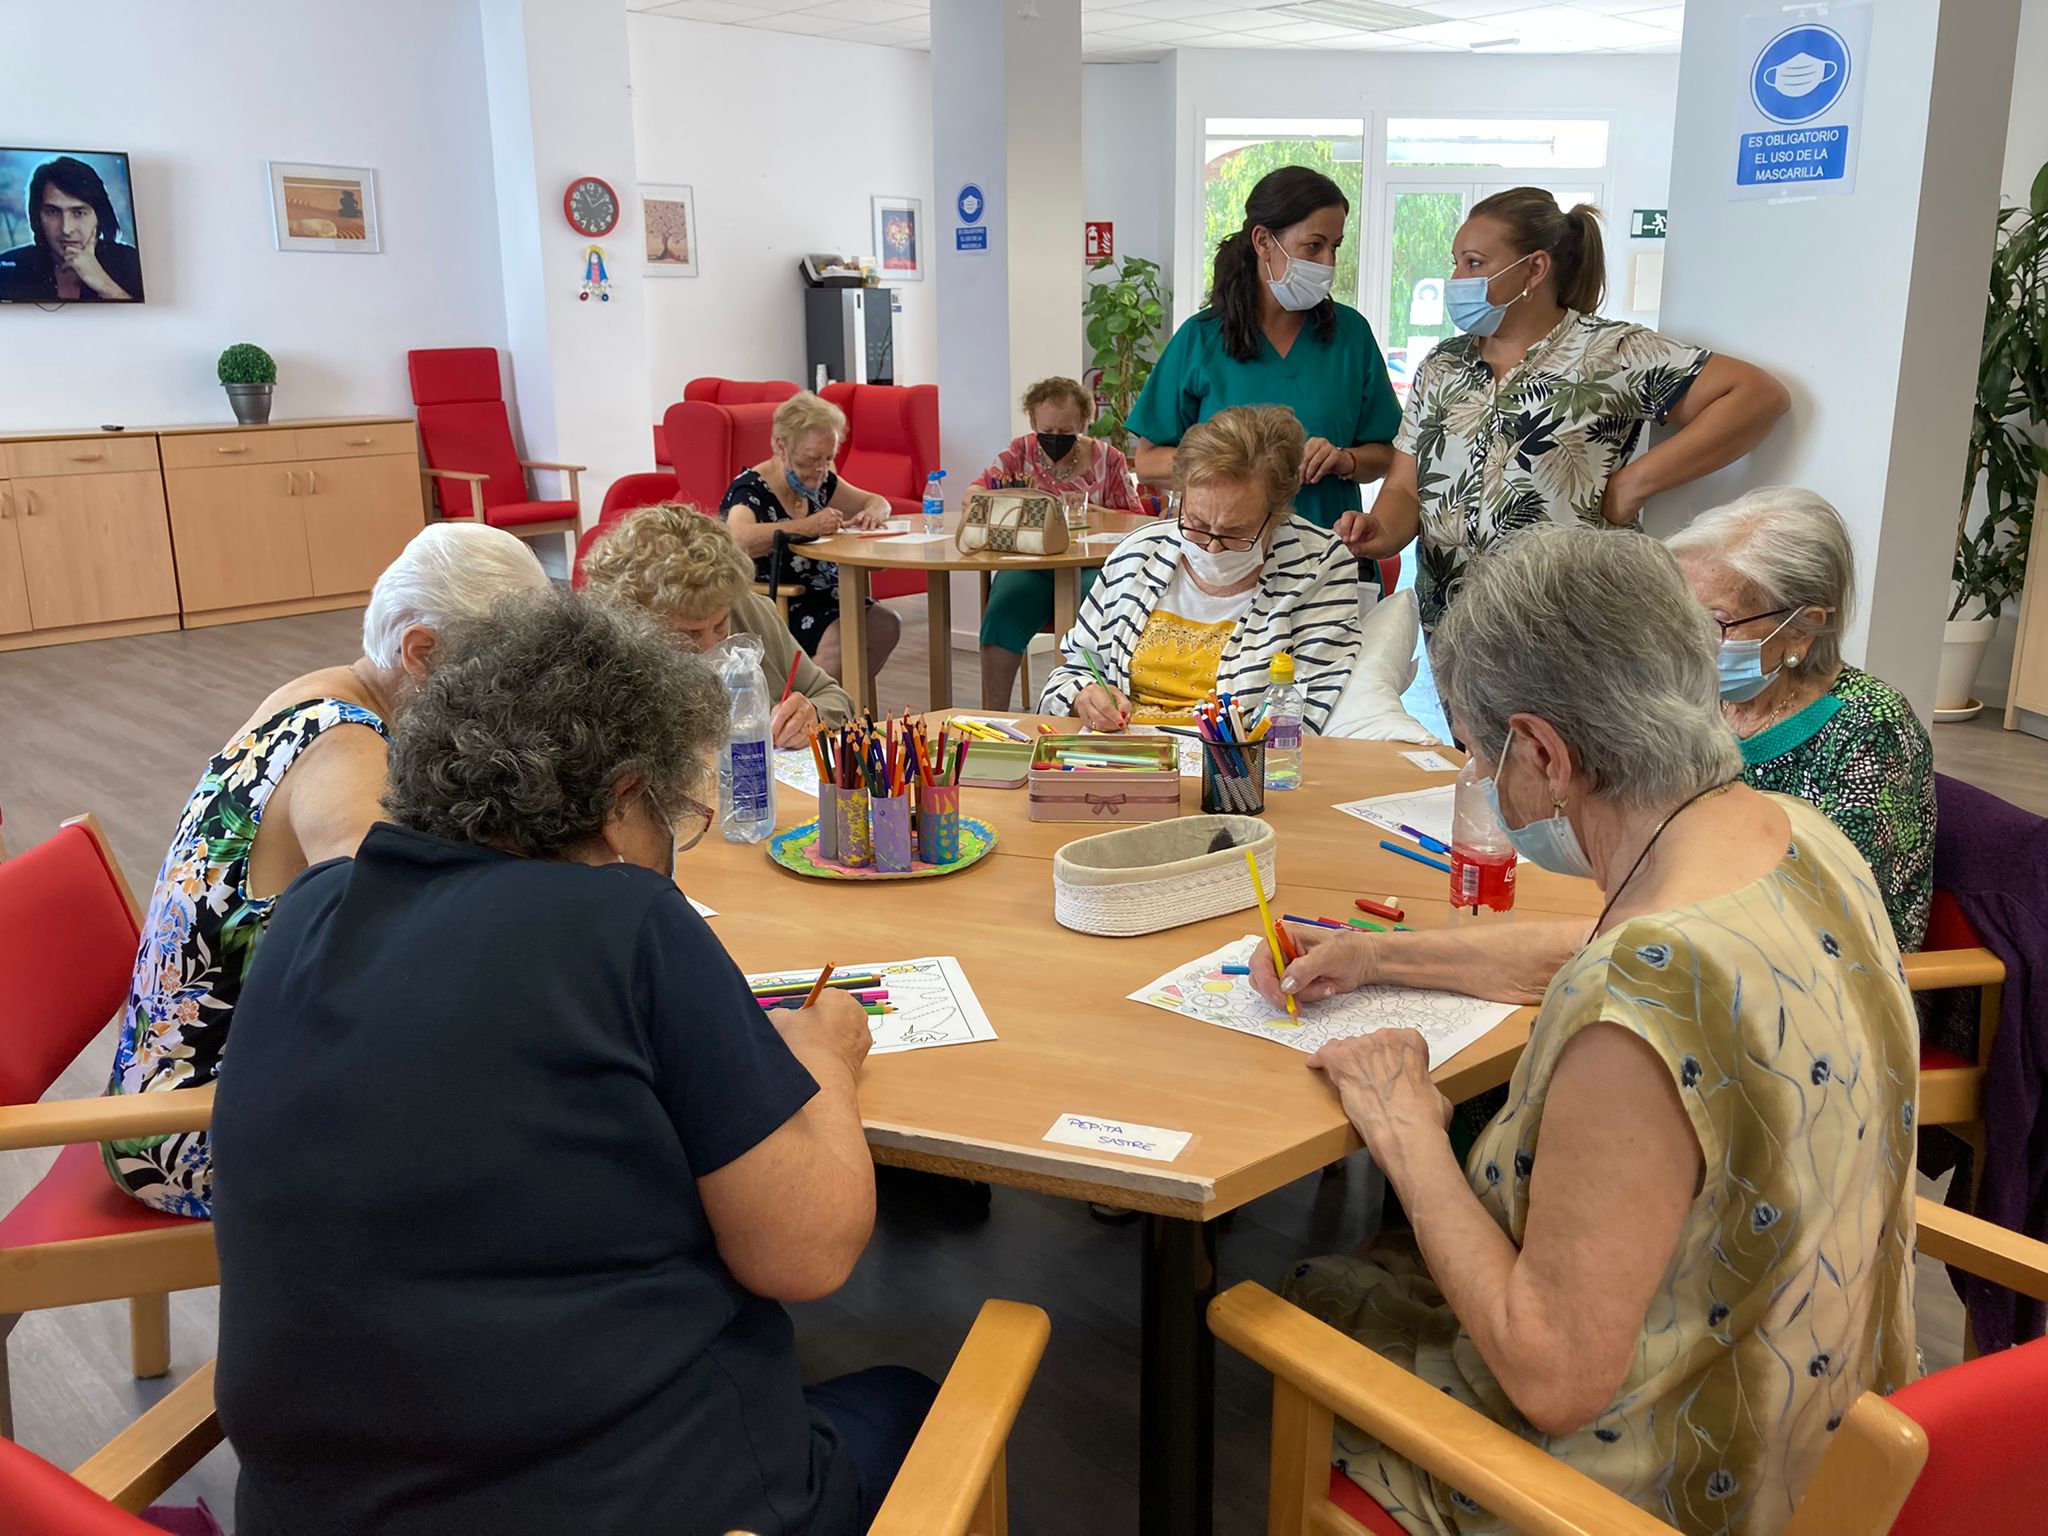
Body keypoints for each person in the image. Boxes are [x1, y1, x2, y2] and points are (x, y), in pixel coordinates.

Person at [212, 592, 934, 1536]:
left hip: (319, 1509)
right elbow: (808, 1251)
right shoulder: (626, 922)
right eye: (676, 814)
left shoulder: (313, 910)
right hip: (620, 1501)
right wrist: (826, 1059)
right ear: (623, 796)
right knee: (909, 1401)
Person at [1260, 525, 1917, 1535]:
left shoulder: (1630, 1016)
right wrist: (1380, 955)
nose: (1479, 777)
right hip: (1832, 1426)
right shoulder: (1799, 843)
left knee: (1302, 1301)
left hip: (1659, 1494)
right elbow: (1616, 943)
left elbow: (1551, 1376)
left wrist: (1404, 1130)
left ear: (1545, 754)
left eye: (1479, 754)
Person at [101, 523, 550, 1216]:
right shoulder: (343, 750)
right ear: (422, 652)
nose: (516, 702)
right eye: (508, 676)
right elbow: (401, 942)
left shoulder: (326, 693)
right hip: (195, 1127)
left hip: (212, 1076)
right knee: (548, 1121)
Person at [1336, 188, 1789, 631]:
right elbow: (1405, 490)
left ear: (1534, 268)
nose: (1457, 279)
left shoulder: (1610, 352)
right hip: (1456, 627)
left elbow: (1756, 396)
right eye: (1455, 263)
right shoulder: (1442, 366)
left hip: (1569, 626)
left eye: (1474, 263)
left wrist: (1633, 485)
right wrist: (1379, 530)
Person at [1669, 486, 1935, 950]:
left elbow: (1832, 913)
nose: (1689, 642)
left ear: (1801, 628)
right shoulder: (1703, 701)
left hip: (1824, 978)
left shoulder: (1870, 725)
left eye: (1715, 621)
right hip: (1696, 937)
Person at [1039, 405, 1363, 732]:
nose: (1211, 546)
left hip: (1238, 771)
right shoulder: (1139, 553)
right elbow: (1073, 670)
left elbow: (1311, 712)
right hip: (1126, 762)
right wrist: (1084, 695)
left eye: (1236, 532)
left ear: (1278, 514)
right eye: (1195, 522)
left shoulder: (1318, 565)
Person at [1126, 166, 1400, 534]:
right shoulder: (1202, 338)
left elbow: (1385, 454)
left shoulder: (1351, 336)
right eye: (1313, 246)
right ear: (1263, 241)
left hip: (1328, 555)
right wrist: (1232, 463)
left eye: (1335, 247)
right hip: (1224, 554)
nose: (1328, 263)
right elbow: (1147, 462)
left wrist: (1345, 460)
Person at [582, 501, 854, 748]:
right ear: (634, 623)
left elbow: (834, 698)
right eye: (689, 634)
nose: (713, 646)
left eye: (721, 624)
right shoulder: (605, 658)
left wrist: (811, 715)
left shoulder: (749, 609)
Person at [975, 376, 1143, 709]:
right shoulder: (1018, 453)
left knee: (1105, 611)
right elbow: (975, 494)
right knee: (1002, 613)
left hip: (1091, 567)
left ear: (1084, 423)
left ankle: (1088, 708)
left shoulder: (1108, 459)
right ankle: (992, 718)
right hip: (1031, 567)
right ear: (1033, 422)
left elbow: (1136, 519)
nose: (1055, 440)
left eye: (1066, 433)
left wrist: (1094, 512)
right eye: (1046, 431)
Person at [720, 389, 902, 682]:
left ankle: (843, 706)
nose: (820, 470)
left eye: (829, 458)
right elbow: (737, 540)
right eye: (811, 459)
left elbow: (877, 501)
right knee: (841, 639)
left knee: (886, 625)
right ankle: (810, 714)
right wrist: (807, 526)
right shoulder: (750, 489)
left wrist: (873, 514)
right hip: (779, 601)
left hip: (828, 594)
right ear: (782, 447)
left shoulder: (821, 479)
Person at [0, 155, 144, 302]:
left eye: (78, 213)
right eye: (52, 212)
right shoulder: (8, 265)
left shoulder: (129, 261)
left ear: (99, 216)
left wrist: (104, 285)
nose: (66, 229)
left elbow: (149, 321)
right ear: (37, 217)